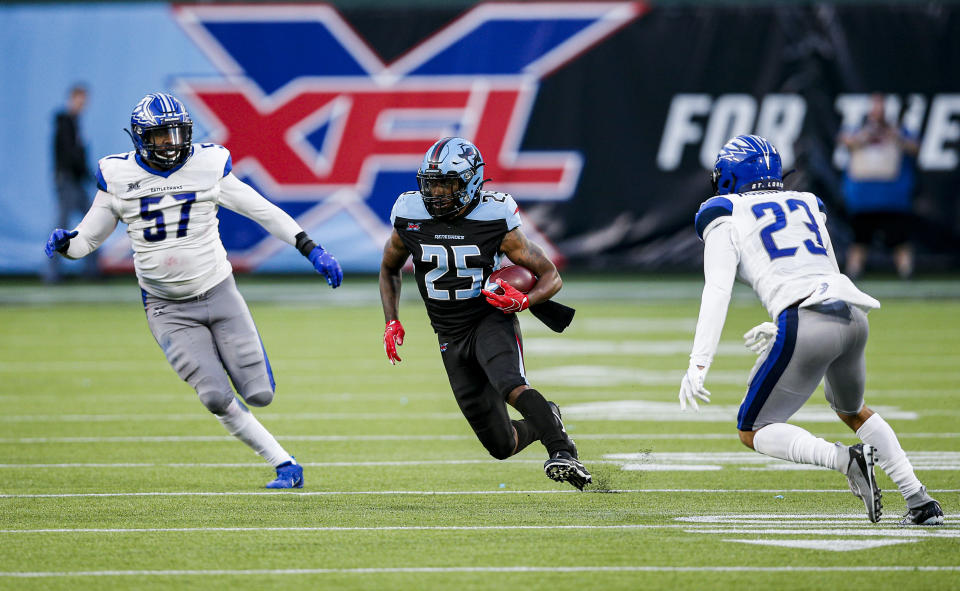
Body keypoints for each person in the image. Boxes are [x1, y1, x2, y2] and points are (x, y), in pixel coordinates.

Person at [44, 92, 343, 489]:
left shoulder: (208, 164)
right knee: (215, 397)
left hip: (218, 291)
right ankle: (284, 464)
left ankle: (256, 391)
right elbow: (87, 241)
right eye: (160, 136)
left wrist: (310, 247)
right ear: (139, 138)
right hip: (167, 308)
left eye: (177, 134)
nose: (171, 144)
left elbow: (262, 209)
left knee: (259, 395)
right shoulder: (117, 175)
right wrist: (68, 244)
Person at [678, 134, 943, 525]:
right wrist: (782, 321)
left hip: (804, 321)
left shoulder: (724, 211)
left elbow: (717, 289)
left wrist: (698, 363)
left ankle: (844, 459)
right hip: (852, 314)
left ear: (730, 176)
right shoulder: (806, 202)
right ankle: (920, 500)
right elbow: (826, 272)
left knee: (753, 429)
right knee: (853, 410)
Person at [379, 137, 591, 489]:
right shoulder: (410, 215)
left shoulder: (494, 219)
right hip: (448, 332)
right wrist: (391, 319)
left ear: (472, 181)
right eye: (431, 184)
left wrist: (524, 302)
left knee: (510, 384)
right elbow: (389, 268)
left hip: (488, 318)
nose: (437, 193)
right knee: (500, 445)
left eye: (447, 183)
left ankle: (562, 452)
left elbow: (551, 276)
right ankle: (547, 418)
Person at [839, 94, 920, 279]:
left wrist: (895, 136)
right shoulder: (858, 130)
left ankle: (907, 274)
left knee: (899, 240)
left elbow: (915, 148)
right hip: (863, 198)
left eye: (881, 108)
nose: (878, 112)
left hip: (892, 197)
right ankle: (852, 275)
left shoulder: (899, 131)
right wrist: (866, 135)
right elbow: (845, 141)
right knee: (859, 240)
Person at [50, 84, 96, 281]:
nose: (82, 104)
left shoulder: (75, 123)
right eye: (79, 99)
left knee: (93, 221)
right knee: (63, 224)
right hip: (68, 179)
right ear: (72, 98)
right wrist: (87, 173)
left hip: (75, 180)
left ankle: (92, 271)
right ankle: (51, 273)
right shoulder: (64, 122)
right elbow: (70, 155)